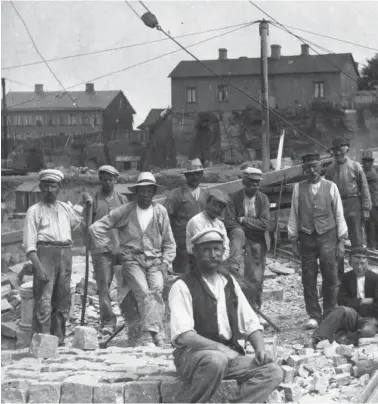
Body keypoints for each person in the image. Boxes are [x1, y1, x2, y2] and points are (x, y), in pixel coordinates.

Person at [168, 228, 283, 403]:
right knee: (216, 360)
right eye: (206, 249)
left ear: (223, 252)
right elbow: (184, 335)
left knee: (273, 372)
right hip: (192, 356)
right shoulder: (183, 286)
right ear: (195, 253)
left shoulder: (229, 283)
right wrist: (221, 349)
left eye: (217, 249)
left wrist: (260, 348)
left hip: (228, 356)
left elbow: (250, 322)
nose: (213, 254)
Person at [90, 172, 176, 346]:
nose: (145, 195)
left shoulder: (160, 212)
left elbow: (169, 242)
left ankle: (152, 332)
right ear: (136, 192)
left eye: (149, 191)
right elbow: (96, 228)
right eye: (142, 191)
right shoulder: (126, 210)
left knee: (157, 288)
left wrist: (166, 263)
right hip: (132, 260)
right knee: (143, 291)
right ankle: (151, 335)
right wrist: (111, 247)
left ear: (153, 192)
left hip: (155, 260)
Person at [288, 153, 348, 330]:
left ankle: (329, 312)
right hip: (306, 236)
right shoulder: (298, 189)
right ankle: (314, 314)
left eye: (315, 166)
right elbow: (294, 214)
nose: (312, 170)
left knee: (330, 274)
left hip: (327, 235)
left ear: (321, 167)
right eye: (308, 167)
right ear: (304, 169)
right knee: (308, 276)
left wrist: (342, 240)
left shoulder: (331, 187)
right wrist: (293, 239)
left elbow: (339, 213)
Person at [23, 169, 83, 345]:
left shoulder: (66, 208)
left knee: (62, 300)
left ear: (59, 187)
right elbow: (29, 245)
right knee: (43, 301)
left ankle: (59, 341)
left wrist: (86, 207)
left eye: (53, 185)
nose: (50, 189)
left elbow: (81, 226)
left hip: (65, 253)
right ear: (40, 187)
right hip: (45, 254)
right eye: (46, 185)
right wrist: (38, 266)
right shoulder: (33, 211)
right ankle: (41, 343)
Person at [82, 165, 128, 335]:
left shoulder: (122, 200)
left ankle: (129, 318)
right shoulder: (93, 200)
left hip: (120, 247)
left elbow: (129, 223)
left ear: (115, 180)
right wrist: (87, 208)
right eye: (104, 179)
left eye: (110, 179)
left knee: (127, 283)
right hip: (100, 250)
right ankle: (108, 321)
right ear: (100, 180)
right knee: (104, 286)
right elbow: (87, 226)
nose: (107, 182)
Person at [309, 247, 378, 348]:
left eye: (362, 263)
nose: (359, 267)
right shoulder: (347, 277)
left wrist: (356, 305)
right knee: (341, 310)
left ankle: (343, 339)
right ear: (350, 263)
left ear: (368, 263)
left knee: (368, 331)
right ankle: (314, 339)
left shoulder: (375, 279)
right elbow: (342, 301)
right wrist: (363, 301)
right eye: (356, 263)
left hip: (370, 317)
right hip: (351, 314)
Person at [224, 167, 271, 311]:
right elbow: (229, 222)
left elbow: (265, 223)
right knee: (238, 275)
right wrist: (243, 228)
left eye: (257, 182)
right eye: (251, 181)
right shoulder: (234, 198)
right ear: (244, 181)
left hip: (258, 242)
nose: (254, 185)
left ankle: (256, 309)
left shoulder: (263, 199)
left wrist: (243, 220)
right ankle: (238, 311)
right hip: (239, 243)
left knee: (256, 278)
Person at [326, 137, 371, 279]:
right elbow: (327, 192)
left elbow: (364, 188)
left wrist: (365, 208)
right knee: (336, 241)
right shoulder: (330, 170)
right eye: (335, 150)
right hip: (336, 207)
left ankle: (360, 274)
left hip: (353, 204)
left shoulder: (355, 166)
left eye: (341, 149)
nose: (338, 153)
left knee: (357, 240)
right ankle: (339, 277)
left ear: (346, 149)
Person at [165, 158, 208, 274]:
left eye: (198, 174)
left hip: (201, 243)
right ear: (186, 175)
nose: (195, 177)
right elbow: (165, 221)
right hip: (181, 245)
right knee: (182, 277)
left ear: (202, 174)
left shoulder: (206, 195)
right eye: (192, 174)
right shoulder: (175, 195)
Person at [186, 188, 230, 262]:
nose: (216, 209)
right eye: (214, 205)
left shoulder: (220, 224)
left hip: (217, 261)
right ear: (207, 202)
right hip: (199, 262)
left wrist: (221, 259)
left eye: (220, 207)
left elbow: (226, 247)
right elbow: (203, 248)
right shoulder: (196, 221)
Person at [362, 150, 378, 251]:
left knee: (371, 224)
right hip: (373, 202)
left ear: (371, 162)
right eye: (365, 161)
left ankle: (371, 246)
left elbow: (359, 178)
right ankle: (374, 245)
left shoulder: (371, 173)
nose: (366, 163)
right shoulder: (370, 171)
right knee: (373, 224)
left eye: (368, 161)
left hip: (373, 202)